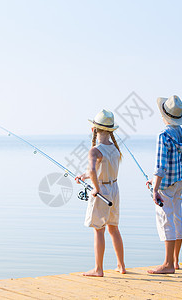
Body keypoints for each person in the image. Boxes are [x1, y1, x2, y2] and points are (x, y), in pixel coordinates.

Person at [75, 109, 126, 277]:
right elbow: (95, 171)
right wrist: (84, 176)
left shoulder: (94, 151)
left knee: (99, 229)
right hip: (115, 189)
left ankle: (98, 269)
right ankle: (121, 265)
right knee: (114, 228)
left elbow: (93, 170)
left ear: (94, 130)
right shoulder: (115, 150)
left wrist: (95, 188)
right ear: (111, 131)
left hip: (102, 191)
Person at [146, 95, 182, 274]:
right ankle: (175, 260)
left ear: (165, 116)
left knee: (166, 221)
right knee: (177, 219)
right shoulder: (181, 134)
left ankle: (167, 264)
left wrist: (155, 188)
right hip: (179, 181)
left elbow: (161, 166)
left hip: (166, 185)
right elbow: (174, 161)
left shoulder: (163, 135)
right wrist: (154, 179)